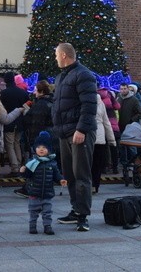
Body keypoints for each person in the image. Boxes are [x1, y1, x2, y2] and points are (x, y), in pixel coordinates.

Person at [52, 42, 98, 232]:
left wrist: (81, 129)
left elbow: (89, 105)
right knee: (70, 175)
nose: (55, 58)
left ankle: (83, 215)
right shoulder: (62, 76)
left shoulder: (83, 74)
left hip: (78, 133)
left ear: (63, 55)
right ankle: (75, 209)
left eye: (56, 54)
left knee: (81, 175)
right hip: (65, 132)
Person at [20, 131, 67, 235]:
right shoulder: (32, 162)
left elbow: (56, 175)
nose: (41, 149)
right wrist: (23, 171)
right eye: (39, 147)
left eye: (44, 147)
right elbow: (27, 176)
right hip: (34, 192)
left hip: (47, 193)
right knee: (33, 212)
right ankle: (32, 226)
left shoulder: (52, 163)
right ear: (35, 149)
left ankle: (47, 226)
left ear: (49, 150)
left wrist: (61, 180)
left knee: (47, 212)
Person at [0, 72, 29, 175]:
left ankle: (15, 167)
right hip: (20, 122)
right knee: (17, 143)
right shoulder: (23, 92)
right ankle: (19, 164)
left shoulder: (3, 94)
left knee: (10, 145)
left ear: (6, 81)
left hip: (9, 121)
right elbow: (27, 107)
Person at [91, 91, 116, 194]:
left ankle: (87, 185)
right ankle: (95, 186)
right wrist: (111, 140)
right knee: (97, 165)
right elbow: (107, 122)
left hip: (88, 137)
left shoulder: (83, 101)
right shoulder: (100, 103)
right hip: (100, 138)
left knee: (87, 164)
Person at [117, 82, 141, 170]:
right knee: (121, 145)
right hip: (119, 126)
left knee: (131, 146)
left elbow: (140, 113)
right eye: (121, 89)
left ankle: (135, 162)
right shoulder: (118, 98)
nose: (123, 90)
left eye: (125, 88)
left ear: (128, 89)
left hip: (129, 127)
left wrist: (131, 120)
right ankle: (124, 163)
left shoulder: (134, 100)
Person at [99, 87, 120, 174]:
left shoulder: (96, 96)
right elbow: (117, 106)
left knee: (103, 148)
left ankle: (104, 167)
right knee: (114, 147)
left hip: (103, 126)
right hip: (113, 124)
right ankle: (115, 168)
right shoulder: (110, 94)